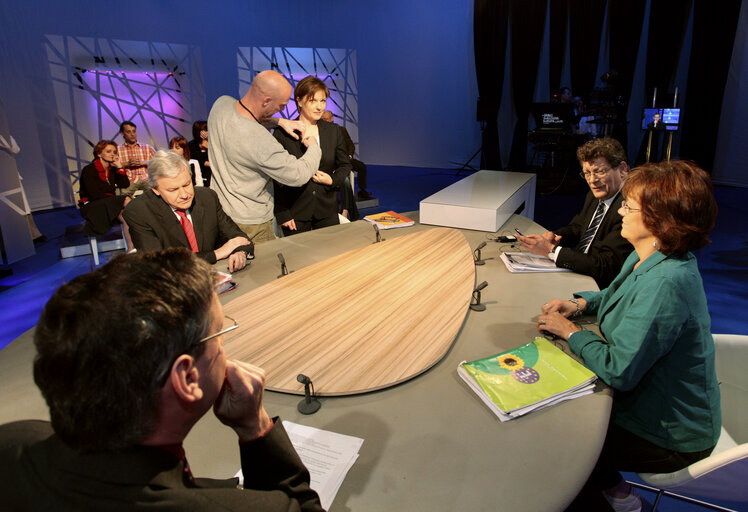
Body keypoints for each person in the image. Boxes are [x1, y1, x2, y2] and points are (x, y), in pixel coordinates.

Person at [0, 248, 324, 511]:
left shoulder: (12, 442)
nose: (224, 348)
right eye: (219, 334)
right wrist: (255, 427)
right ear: (186, 378)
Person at [537, 161, 721, 512]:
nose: (620, 210)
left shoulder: (667, 282)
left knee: (560, 445)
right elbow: (614, 295)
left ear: (659, 221)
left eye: (628, 206)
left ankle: (615, 500)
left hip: (670, 436)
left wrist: (571, 332)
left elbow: (620, 369)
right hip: (648, 407)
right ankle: (618, 492)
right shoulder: (651, 256)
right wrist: (577, 305)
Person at [208, 70, 321, 244]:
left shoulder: (221, 105)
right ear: (266, 100)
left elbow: (246, 117)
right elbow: (297, 174)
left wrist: (279, 121)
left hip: (219, 215)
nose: (282, 110)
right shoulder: (259, 140)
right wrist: (314, 146)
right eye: (281, 106)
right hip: (251, 224)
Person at [517, 137, 633, 289]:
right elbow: (578, 228)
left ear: (622, 169)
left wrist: (552, 251)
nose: (592, 180)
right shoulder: (596, 193)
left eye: (599, 171)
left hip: (598, 286)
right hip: (578, 268)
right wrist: (553, 237)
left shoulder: (629, 208)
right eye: (587, 173)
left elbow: (605, 266)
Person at [123, 150, 252, 272]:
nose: (184, 194)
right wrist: (216, 254)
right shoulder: (138, 211)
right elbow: (158, 265)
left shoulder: (207, 198)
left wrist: (240, 252)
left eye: (186, 185)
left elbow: (239, 238)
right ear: (155, 189)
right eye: (173, 190)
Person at [273, 77, 352, 236]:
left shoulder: (333, 131)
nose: (319, 106)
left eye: (322, 101)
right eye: (313, 101)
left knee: (331, 258)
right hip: (295, 212)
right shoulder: (283, 134)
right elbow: (276, 177)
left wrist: (332, 180)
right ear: (299, 101)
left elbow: (345, 165)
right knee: (297, 259)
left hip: (326, 210)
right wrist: (282, 213)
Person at [78, 139, 133, 250]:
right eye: (108, 151)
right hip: (92, 205)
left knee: (127, 217)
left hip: (109, 203)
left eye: (114, 152)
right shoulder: (89, 170)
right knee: (126, 199)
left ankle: (132, 250)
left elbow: (125, 184)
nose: (112, 154)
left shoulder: (112, 170)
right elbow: (94, 194)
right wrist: (115, 201)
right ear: (99, 154)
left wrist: (119, 167)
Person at [118, 121, 156, 195]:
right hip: (129, 179)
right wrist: (127, 164)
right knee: (122, 196)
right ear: (122, 133)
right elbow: (114, 164)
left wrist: (143, 162)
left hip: (146, 178)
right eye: (128, 132)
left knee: (156, 192)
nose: (132, 134)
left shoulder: (147, 147)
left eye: (134, 131)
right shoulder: (118, 149)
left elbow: (159, 162)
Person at [188, 120, 211, 186]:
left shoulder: (212, 143)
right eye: (206, 129)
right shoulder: (192, 145)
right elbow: (199, 161)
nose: (207, 132)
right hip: (200, 176)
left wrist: (208, 146)